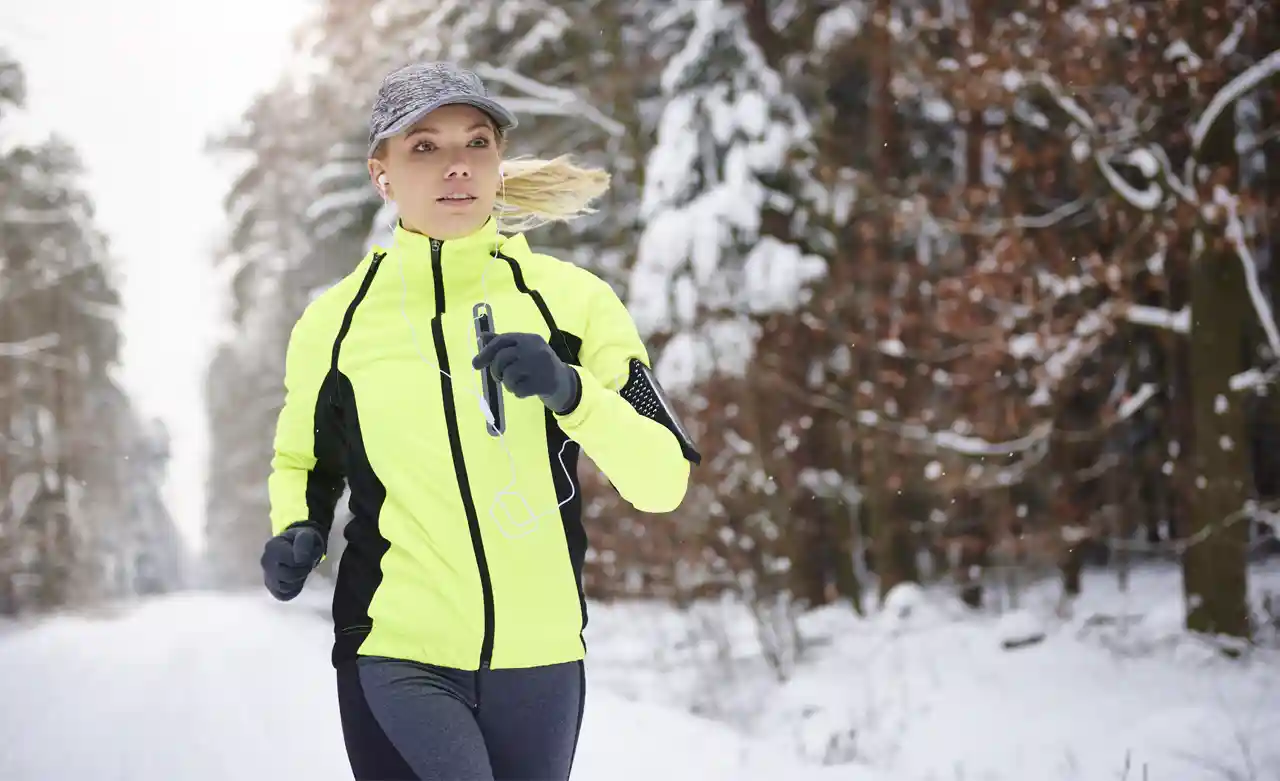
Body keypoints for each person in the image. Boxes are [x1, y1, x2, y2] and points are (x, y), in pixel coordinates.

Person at [258, 61, 701, 781]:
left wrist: (571, 391)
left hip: (543, 658)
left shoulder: (574, 303)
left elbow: (663, 480)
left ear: (498, 163)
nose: (457, 166)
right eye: (425, 147)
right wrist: (294, 530)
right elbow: (305, 462)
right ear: (383, 174)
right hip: (395, 644)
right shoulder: (335, 323)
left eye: (477, 143)